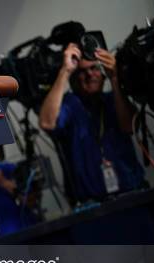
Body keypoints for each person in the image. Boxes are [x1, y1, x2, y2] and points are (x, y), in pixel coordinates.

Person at [38, 42, 145, 203]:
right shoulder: (70, 104)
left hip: (132, 194)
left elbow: (129, 126)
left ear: (102, 74)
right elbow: (47, 123)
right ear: (73, 80)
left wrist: (115, 78)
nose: (90, 75)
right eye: (82, 71)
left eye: (94, 68)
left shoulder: (113, 99)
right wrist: (65, 71)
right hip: (93, 205)